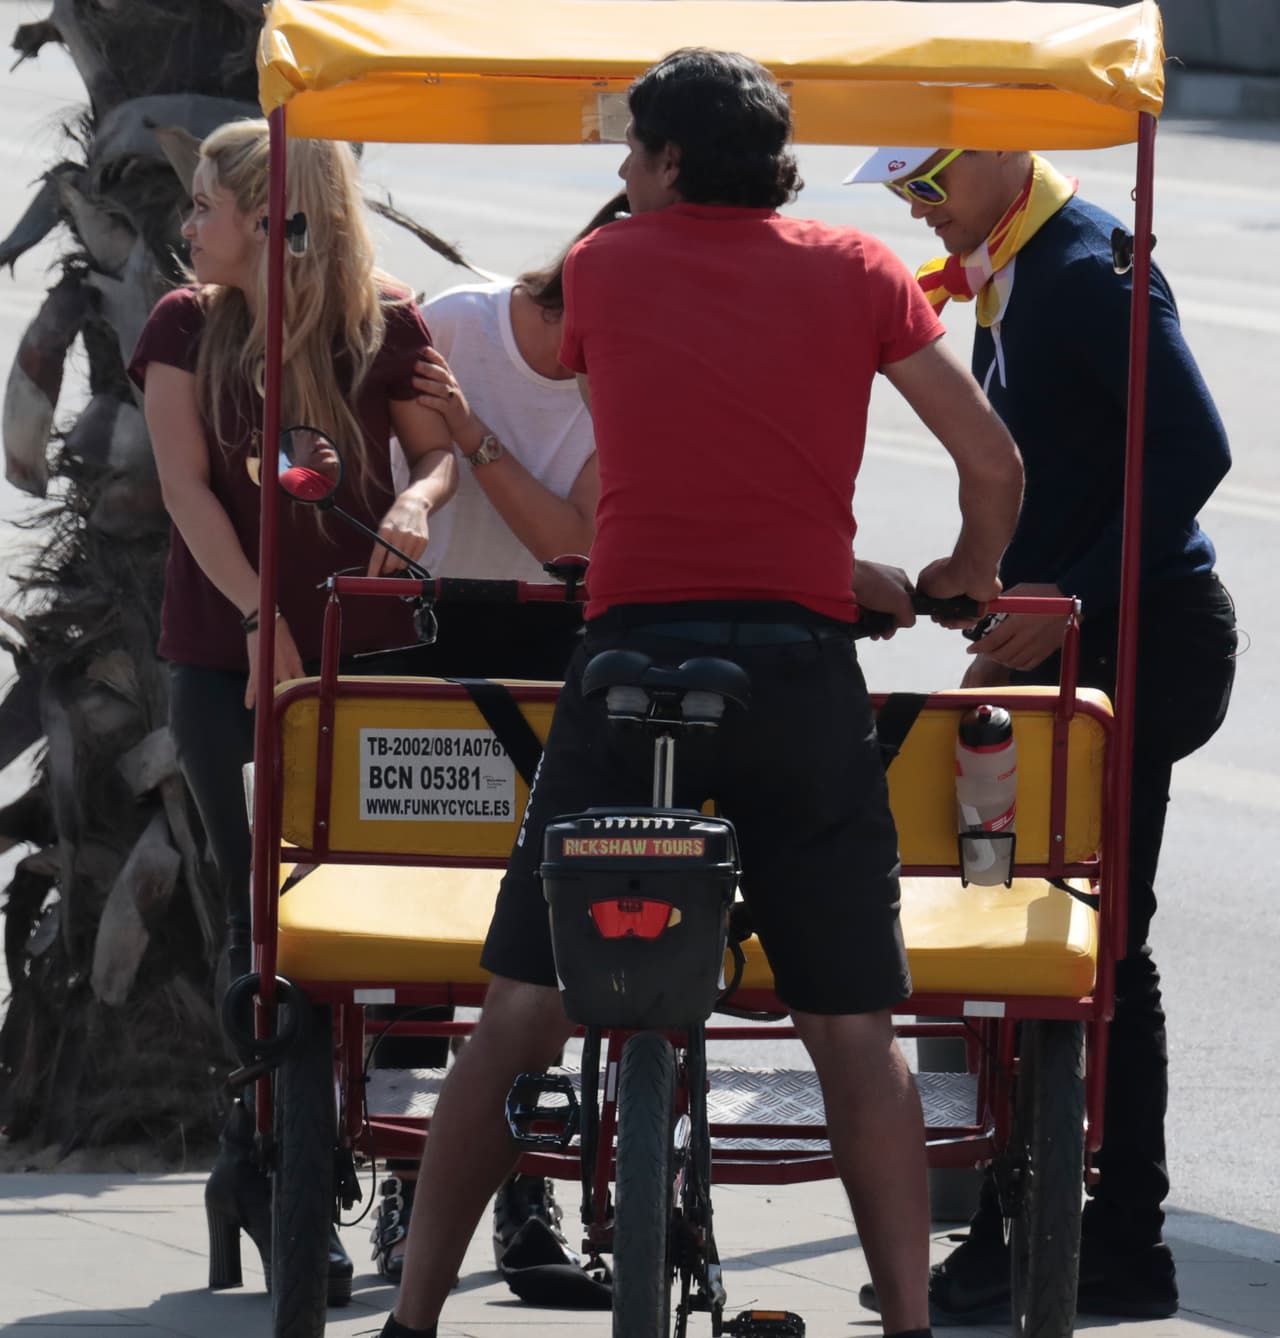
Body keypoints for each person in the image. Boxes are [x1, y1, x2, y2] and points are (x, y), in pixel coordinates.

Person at [378, 49, 1025, 1338]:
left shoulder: (609, 267)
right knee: (851, 1029)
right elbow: (991, 463)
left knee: (515, 1014)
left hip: (628, 665)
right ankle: (903, 1320)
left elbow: (559, 355)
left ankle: (409, 1321)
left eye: (631, 154)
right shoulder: (859, 270)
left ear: (669, 161)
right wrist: (962, 572)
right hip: (792, 675)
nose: (620, 176)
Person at [847, 145, 1237, 1322]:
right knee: (1025, 935)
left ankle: (1119, 1245)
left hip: (1140, 631)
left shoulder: (1081, 268)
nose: (917, 210)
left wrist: (1064, 597)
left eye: (926, 185)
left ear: (1000, 159)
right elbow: (1054, 473)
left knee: (1100, 945)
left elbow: (1190, 451)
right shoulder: (1011, 262)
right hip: (1074, 626)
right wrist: (997, 597)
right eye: (902, 194)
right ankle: (1022, 1228)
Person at [128, 118, 457, 1305]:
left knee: (402, 911)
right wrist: (264, 616)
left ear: (271, 218)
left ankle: (404, 1171)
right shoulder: (183, 326)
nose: (190, 225)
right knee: (253, 916)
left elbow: (435, 453)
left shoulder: (383, 320)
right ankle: (265, 1171)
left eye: (207, 205)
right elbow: (182, 488)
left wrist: (420, 500)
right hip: (228, 661)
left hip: (370, 664)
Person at [366, 195, 628, 1299]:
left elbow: (577, 543)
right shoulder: (457, 326)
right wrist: (454, 450)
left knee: (540, 932)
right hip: (427, 622)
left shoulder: (628, 374)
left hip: (557, 634)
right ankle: (401, 1183)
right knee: (412, 918)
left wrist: (477, 439)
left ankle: (524, 1189)